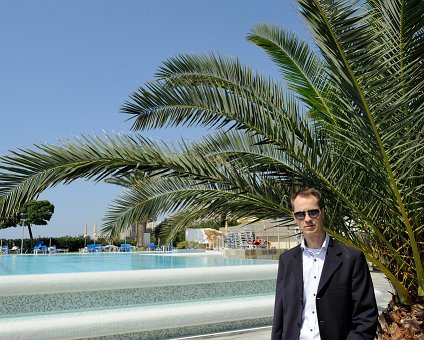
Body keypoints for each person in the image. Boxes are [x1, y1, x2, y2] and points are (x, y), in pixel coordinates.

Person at [272, 188, 378, 340]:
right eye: (300, 214)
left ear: (323, 212)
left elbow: (366, 316)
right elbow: (280, 314)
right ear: (294, 217)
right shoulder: (287, 260)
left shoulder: (351, 259)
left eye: (313, 212)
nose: (307, 219)